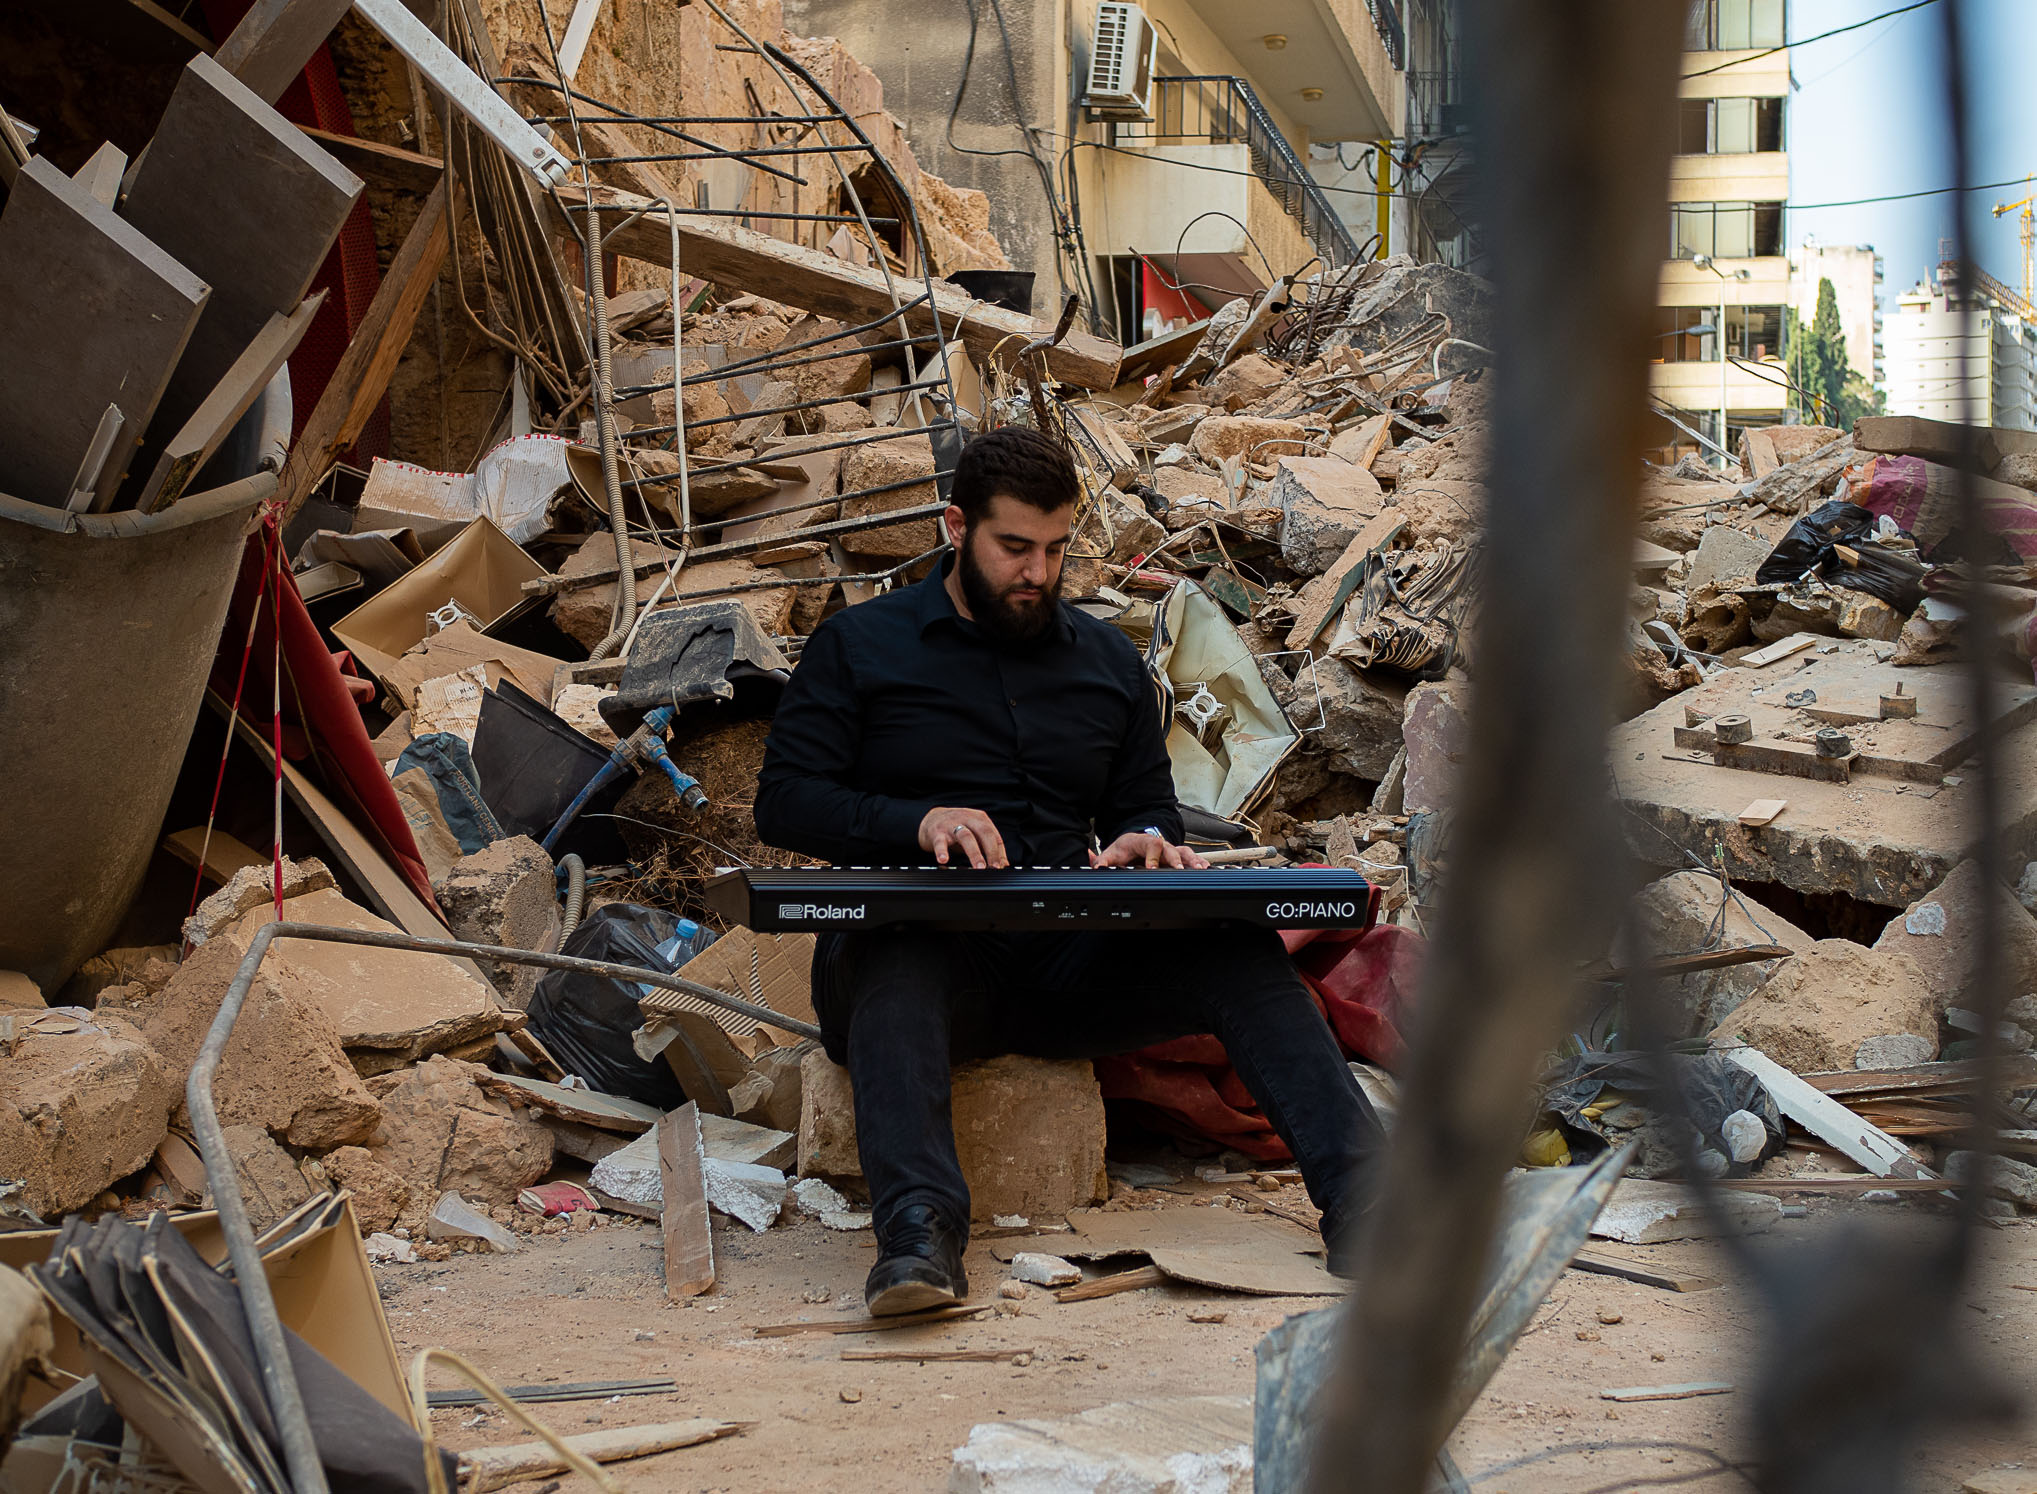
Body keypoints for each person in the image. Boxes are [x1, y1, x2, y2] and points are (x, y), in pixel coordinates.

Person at [753, 426, 1386, 1315]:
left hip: (1068, 963)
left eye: (1054, 550)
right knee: (899, 957)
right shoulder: (859, 646)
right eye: (1014, 548)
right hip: (918, 952)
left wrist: (1143, 843)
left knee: (1234, 945)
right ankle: (918, 1240)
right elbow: (783, 802)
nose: (1037, 574)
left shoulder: (1105, 663)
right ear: (954, 526)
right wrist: (915, 820)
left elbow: (1144, 807)